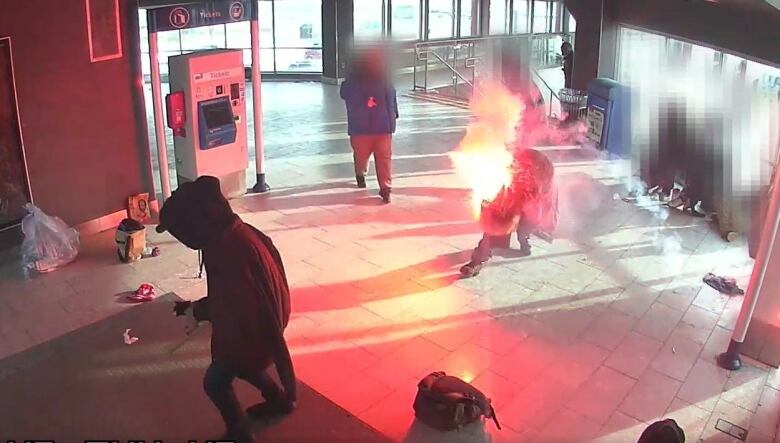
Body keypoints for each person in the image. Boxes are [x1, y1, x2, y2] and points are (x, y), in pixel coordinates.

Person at [156, 176, 296, 443]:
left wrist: (197, 312)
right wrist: (196, 308)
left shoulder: (227, 251)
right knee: (245, 367)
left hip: (250, 332)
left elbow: (234, 306)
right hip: (268, 321)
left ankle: (240, 433)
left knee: (216, 382)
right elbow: (233, 297)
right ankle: (279, 400)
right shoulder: (237, 232)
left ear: (196, 225)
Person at [460, 147, 557, 278]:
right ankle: (478, 260)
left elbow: (543, 201)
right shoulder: (506, 169)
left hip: (536, 194)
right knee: (495, 227)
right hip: (513, 190)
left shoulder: (543, 173)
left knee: (528, 222)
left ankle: (524, 240)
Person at [340, 47, 399, 203]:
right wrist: (393, 115)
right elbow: (391, 96)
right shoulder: (379, 77)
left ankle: (372, 181)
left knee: (368, 156)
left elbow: (344, 94)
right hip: (376, 126)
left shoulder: (355, 79)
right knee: (377, 157)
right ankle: (378, 184)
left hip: (365, 127)